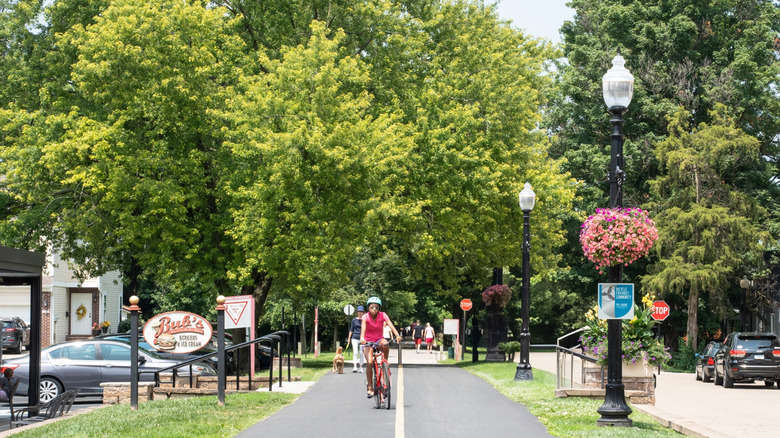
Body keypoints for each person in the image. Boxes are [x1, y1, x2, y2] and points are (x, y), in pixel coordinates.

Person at [360, 296, 402, 398]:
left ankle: (385, 364)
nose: (374, 309)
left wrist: (397, 335)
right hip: (368, 341)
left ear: (379, 308)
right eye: (372, 307)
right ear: (368, 308)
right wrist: (362, 338)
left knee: (386, 343)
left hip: (379, 339)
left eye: (376, 307)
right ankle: (370, 387)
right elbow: (363, 329)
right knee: (370, 362)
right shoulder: (365, 317)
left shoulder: (383, 315)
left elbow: (391, 325)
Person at [347, 306, 366, 373]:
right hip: (354, 338)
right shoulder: (354, 320)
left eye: (361, 312)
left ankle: (361, 367)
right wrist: (349, 338)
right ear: (357, 312)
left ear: (363, 312)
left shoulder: (365, 320)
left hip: (362, 338)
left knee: (361, 353)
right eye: (358, 312)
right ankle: (355, 366)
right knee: (355, 352)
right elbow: (351, 330)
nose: (360, 313)